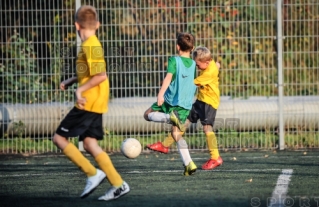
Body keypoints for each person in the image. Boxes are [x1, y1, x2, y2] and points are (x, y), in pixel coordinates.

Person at [52, 5, 129, 201]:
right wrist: (71, 81)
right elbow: (89, 73)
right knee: (88, 143)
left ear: (76, 25)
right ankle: (118, 184)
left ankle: (92, 173)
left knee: (59, 138)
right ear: (98, 24)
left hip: (89, 102)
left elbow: (101, 75)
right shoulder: (90, 44)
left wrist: (80, 90)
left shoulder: (90, 45)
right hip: (96, 101)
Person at [147, 46, 223, 170]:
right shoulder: (211, 64)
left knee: (207, 129)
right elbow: (216, 65)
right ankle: (165, 146)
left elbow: (192, 83)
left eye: (198, 65)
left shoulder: (209, 73)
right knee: (184, 122)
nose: (197, 67)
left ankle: (215, 157)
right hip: (200, 101)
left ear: (207, 62)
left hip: (209, 103)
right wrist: (217, 66)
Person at [143, 32, 198, 176]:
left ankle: (168, 117)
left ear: (177, 47)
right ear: (192, 49)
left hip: (170, 101)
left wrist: (160, 94)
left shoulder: (174, 60)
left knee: (147, 114)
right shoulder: (193, 65)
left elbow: (168, 78)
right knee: (176, 133)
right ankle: (189, 163)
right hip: (185, 105)